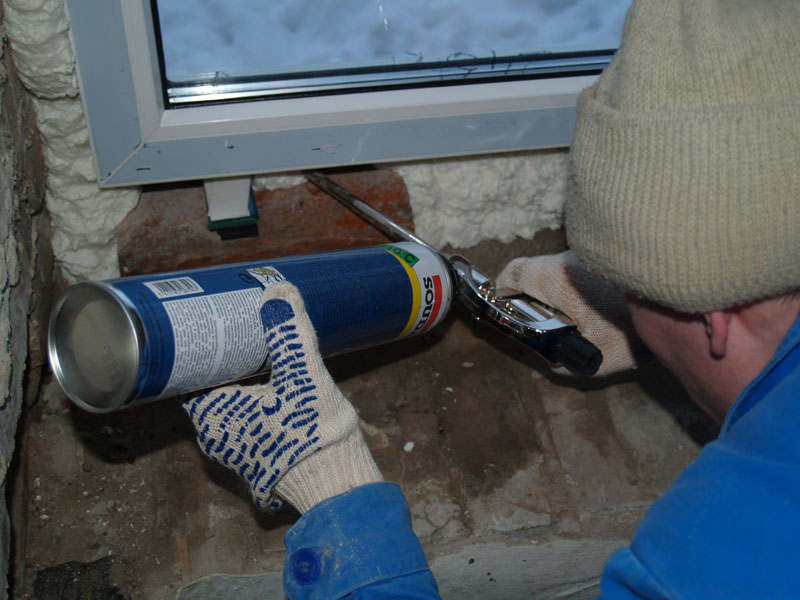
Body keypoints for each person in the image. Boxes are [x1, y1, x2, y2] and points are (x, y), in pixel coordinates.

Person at [183, 0, 800, 597]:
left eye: (633, 290)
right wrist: (637, 314)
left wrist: (334, 492)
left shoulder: (704, 563)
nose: (622, 299)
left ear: (714, 321)